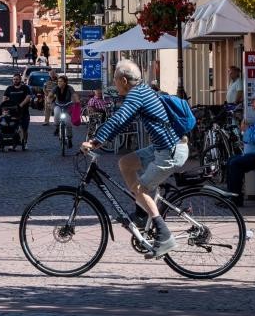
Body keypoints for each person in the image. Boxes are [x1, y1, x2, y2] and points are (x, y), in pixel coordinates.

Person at [80, 59, 188, 259]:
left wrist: (96, 141)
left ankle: (164, 236)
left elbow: (120, 118)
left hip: (170, 151)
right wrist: (102, 139)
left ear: (123, 80)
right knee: (126, 163)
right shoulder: (142, 90)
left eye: (114, 80)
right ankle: (140, 215)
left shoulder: (136, 95)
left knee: (142, 189)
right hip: (161, 148)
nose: (114, 84)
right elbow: (123, 121)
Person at [2, 73, 33, 144]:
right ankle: (12, 142)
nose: (15, 81)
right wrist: (4, 106)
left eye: (17, 79)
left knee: (24, 129)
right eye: (14, 79)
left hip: (24, 112)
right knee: (11, 127)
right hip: (12, 112)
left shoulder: (25, 88)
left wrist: (21, 105)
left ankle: (25, 142)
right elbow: (4, 98)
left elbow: (28, 97)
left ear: (20, 80)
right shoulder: (9, 88)